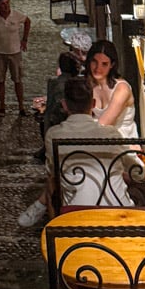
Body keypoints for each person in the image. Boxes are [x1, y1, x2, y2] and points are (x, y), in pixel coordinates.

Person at [18, 78, 133, 225]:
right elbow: (138, 172)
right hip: (118, 211)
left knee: (53, 181)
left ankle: (47, 216)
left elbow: (53, 171)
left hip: (77, 213)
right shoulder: (111, 134)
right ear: (93, 104)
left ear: (64, 105)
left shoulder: (54, 134)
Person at [84, 39, 137, 138]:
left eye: (104, 64)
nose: (98, 68)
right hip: (95, 139)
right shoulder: (87, 85)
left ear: (112, 65)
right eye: (95, 62)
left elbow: (104, 125)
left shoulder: (122, 88)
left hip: (123, 141)